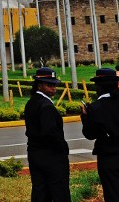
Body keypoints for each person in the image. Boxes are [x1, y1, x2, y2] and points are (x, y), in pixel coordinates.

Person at [80, 67, 119, 202]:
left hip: (108, 157)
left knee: (114, 195)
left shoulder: (95, 108)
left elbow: (90, 134)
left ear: (99, 86)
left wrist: (85, 117)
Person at [23, 67, 70, 202]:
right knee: (60, 193)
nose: (54, 88)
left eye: (54, 84)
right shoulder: (46, 106)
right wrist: (63, 148)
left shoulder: (31, 103)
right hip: (51, 156)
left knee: (40, 192)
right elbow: (50, 134)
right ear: (39, 85)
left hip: (35, 154)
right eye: (49, 84)